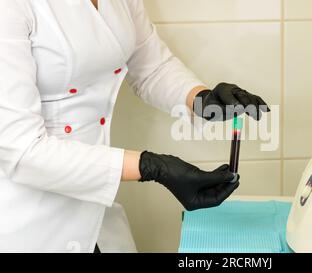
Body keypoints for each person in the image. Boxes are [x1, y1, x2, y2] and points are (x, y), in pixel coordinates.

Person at [0, 0, 269, 253]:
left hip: (93, 208)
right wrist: (151, 166)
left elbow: (151, 66)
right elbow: (21, 150)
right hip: (27, 220)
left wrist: (202, 99)